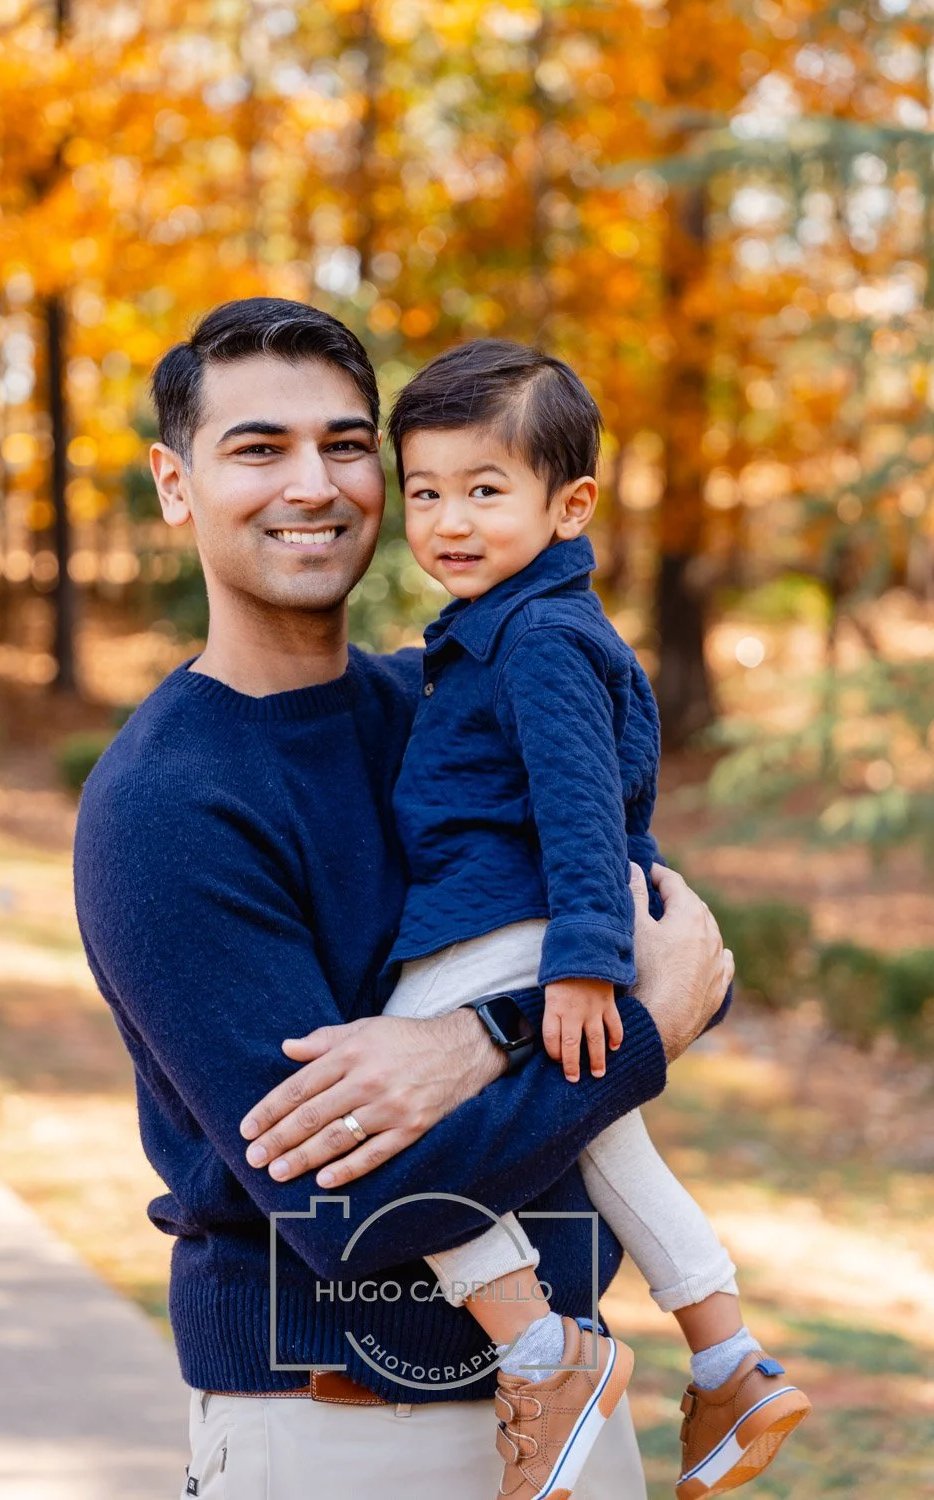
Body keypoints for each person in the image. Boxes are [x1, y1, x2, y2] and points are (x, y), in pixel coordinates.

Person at [73, 298, 733, 1500]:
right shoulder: (166, 806)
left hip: (575, 1408)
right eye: (258, 448)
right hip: (341, 1427)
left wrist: (481, 1043)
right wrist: (630, 1031)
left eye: (344, 445)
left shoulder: (443, 701)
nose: (313, 484)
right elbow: (351, 1205)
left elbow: (666, 945)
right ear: (175, 484)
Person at [336, 338, 808, 1500]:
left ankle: (543, 1353)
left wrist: (586, 966)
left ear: (568, 504)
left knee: (373, 1125)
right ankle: (731, 1358)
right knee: (608, 1149)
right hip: (527, 933)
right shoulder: (501, 632)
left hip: (513, 935)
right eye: (427, 492)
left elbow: (582, 813)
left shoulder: (539, 643)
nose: (447, 519)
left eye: (484, 490)